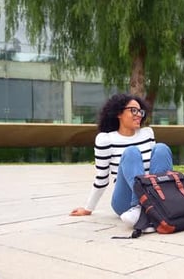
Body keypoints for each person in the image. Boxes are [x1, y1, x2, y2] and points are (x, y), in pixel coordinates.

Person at [70, 93, 173, 229]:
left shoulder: (147, 133)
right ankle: (138, 208)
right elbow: (101, 178)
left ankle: (162, 203)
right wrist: (88, 208)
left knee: (162, 149)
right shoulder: (105, 139)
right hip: (125, 200)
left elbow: (157, 167)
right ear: (119, 113)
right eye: (133, 110)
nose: (139, 115)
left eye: (140, 111)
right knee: (131, 152)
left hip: (154, 195)